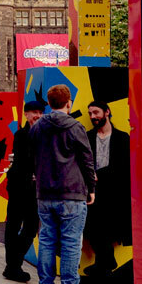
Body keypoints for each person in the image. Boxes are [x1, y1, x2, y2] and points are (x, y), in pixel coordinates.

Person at [29, 84, 96, 284]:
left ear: (49, 104)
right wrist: (91, 188)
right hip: (72, 193)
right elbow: (87, 160)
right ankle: (69, 282)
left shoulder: (37, 127)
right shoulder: (76, 127)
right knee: (71, 242)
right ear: (69, 103)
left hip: (45, 193)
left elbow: (32, 157)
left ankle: (46, 281)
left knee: (47, 241)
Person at [84, 100, 132, 278]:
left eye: (95, 112)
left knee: (108, 230)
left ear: (107, 112)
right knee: (94, 230)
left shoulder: (122, 138)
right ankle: (106, 263)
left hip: (115, 193)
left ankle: (103, 265)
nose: (92, 117)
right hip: (93, 192)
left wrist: (101, 174)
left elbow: (125, 167)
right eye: (90, 113)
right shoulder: (87, 136)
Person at [3, 101, 44, 283]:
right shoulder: (21, 134)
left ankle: (12, 265)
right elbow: (26, 159)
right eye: (34, 112)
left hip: (33, 188)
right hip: (20, 186)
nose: (38, 115)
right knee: (13, 226)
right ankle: (13, 266)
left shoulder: (44, 134)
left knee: (30, 226)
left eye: (40, 112)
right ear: (26, 114)